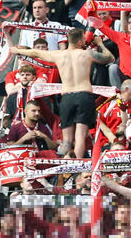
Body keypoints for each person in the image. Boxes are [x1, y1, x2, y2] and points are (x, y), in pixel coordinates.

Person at [11, 28, 115, 158]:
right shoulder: (87, 54)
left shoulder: (59, 54)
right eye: (83, 39)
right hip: (84, 95)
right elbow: (110, 58)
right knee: (80, 136)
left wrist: (17, 50)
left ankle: (64, 166)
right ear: (79, 41)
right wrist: (100, 43)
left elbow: (35, 52)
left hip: (67, 97)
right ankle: (76, 166)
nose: (85, 41)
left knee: (66, 141)